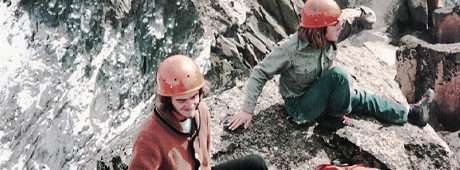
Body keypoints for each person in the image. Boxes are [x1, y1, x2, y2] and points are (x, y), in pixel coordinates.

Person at [227, 0, 435, 131]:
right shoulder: (290, 49)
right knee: (339, 75)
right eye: (335, 25)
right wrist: (247, 110)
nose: (340, 27)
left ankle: (410, 113)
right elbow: (260, 73)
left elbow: (353, 16)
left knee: (363, 98)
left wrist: (363, 11)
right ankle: (333, 117)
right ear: (318, 30)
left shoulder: (333, 30)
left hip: (323, 92)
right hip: (301, 107)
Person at [129, 55, 268, 170]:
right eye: (182, 100)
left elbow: (205, 157)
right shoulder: (148, 139)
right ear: (168, 100)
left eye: (194, 96)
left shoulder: (201, 110)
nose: (190, 105)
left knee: (255, 164)